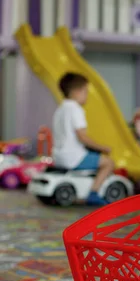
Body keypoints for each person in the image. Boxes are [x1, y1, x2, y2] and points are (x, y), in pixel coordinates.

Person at [52, 73, 115, 206]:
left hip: (58, 156)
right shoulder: (76, 109)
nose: (87, 95)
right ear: (76, 92)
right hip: (73, 158)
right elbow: (82, 137)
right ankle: (94, 193)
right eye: (85, 91)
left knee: (94, 157)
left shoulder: (60, 109)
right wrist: (102, 147)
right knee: (108, 163)